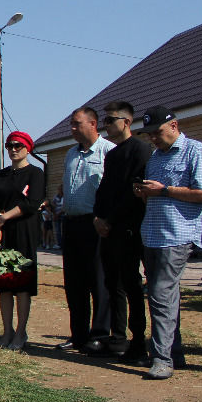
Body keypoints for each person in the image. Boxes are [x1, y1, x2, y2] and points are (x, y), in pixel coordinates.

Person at [134, 106, 202, 380]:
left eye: (157, 133)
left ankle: (161, 358)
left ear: (174, 126)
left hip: (178, 235)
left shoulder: (196, 151)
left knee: (160, 293)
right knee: (164, 297)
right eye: (149, 135)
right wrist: (145, 193)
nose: (153, 139)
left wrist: (164, 190)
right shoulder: (156, 157)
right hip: (153, 234)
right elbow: (155, 194)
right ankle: (174, 353)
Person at [90, 102, 154, 361]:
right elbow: (104, 190)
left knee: (131, 284)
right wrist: (98, 218)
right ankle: (117, 339)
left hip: (129, 228)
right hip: (108, 229)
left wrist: (111, 220)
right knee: (112, 283)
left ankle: (138, 342)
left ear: (126, 122)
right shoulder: (113, 154)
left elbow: (133, 190)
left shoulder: (141, 150)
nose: (106, 125)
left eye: (110, 120)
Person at [59, 107, 114, 351]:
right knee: (74, 283)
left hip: (95, 224)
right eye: (71, 124)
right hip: (71, 223)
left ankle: (100, 335)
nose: (72, 128)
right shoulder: (71, 153)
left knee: (98, 281)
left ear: (93, 124)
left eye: (76, 124)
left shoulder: (108, 152)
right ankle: (78, 335)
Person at [0, 131, 45, 350]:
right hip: (1, 234)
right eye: (10, 146)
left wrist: (3, 218)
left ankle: (21, 332)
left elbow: (32, 202)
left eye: (18, 145)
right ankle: (7, 330)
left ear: (28, 148)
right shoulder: (0, 175)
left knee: (21, 285)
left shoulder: (35, 173)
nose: (13, 149)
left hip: (23, 232)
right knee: (4, 284)